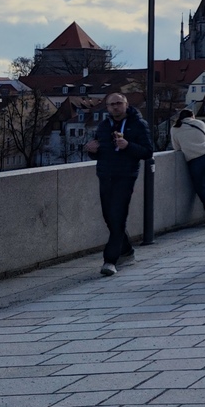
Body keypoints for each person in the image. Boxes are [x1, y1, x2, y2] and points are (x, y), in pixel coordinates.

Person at [85, 92, 153, 277]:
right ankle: (127, 251)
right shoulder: (104, 126)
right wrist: (92, 151)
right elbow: (99, 152)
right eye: (111, 104)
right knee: (109, 217)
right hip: (105, 175)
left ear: (126, 104)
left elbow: (147, 152)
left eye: (118, 103)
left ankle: (110, 260)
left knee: (117, 217)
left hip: (125, 176)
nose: (115, 107)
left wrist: (128, 146)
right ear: (107, 107)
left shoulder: (138, 124)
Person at [172, 109, 205, 220]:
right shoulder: (200, 123)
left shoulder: (175, 128)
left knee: (199, 187)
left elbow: (176, 147)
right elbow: (204, 135)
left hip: (193, 160)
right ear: (192, 115)